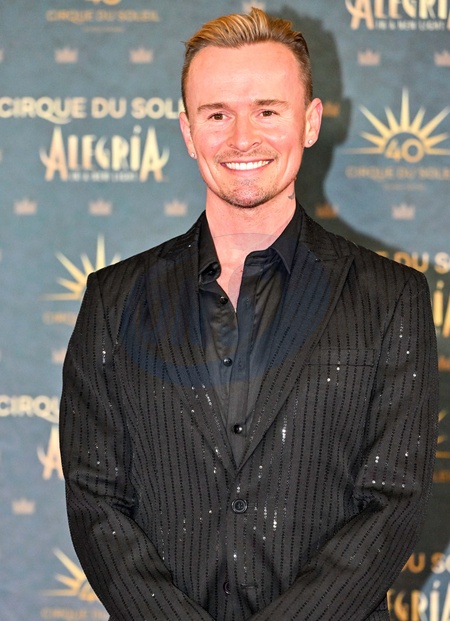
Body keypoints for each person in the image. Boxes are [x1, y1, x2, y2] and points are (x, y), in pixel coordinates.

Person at [59, 8, 439, 621]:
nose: (242, 139)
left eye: (267, 111)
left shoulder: (392, 297)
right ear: (188, 131)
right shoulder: (113, 299)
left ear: (309, 122)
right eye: (217, 114)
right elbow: (94, 497)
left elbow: (392, 502)